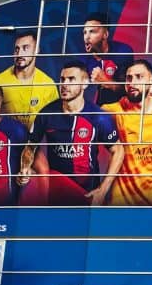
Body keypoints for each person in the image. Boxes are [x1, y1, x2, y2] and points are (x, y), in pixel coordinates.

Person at [27, 63, 125, 205]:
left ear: (85, 83)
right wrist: (26, 167)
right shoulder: (46, 113)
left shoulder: (98, 116)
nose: (65, 84)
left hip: (87, 197)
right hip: (56, 194)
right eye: (62, 79)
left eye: (71, 79)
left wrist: (103, 189)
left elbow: (118, 150)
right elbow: (30, 146)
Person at [100, 60, 152, 205]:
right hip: (122, 201)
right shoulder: (112, 111)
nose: (132, 83)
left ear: (151, 80)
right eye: (129, 78)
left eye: (139, 77)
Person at [0, 31, 57, 131]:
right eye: (17, 49)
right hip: (5, 143)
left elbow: (55, 122)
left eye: (25, 48)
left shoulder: (48, 85)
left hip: (37, 144)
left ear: (36, 50)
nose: (19, 54)